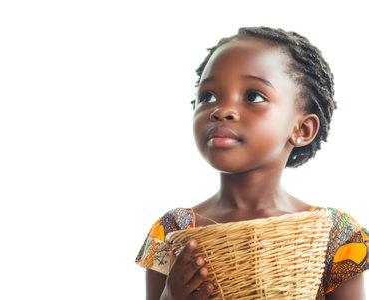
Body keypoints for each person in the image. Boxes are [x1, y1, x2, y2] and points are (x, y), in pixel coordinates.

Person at [135, 27, 368, 300]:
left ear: (302, 129)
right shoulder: (171, 232)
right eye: (208, 96)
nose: (221, 110)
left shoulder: (337, 236)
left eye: (253, 96)